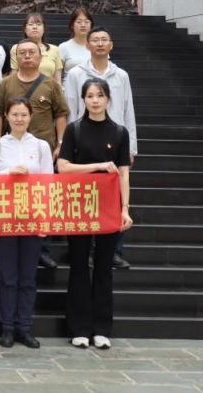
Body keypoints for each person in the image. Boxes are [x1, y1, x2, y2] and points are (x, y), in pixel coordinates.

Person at [57, 78, 133, 350]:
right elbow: (63, 167)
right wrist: (98, 166)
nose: (95, 100)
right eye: (90, 96)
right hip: (79, 205)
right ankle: (79, 328)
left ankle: (101, 329)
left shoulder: (119, 132)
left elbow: (123, 173)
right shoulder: (74, 130)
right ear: (83, 100)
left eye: (100, 95)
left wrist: (125, 209)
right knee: (79, 266)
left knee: (103, 268)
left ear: (108, 99)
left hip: (109, 207)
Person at [63, 26, 138, 270]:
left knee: (116, 196)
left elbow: (128, 110)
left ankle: (113, 250)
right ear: (87, 45)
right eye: (95, 40)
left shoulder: (121, 75)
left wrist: (131, 147)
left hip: (115, 139)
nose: (100, 43)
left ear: (111, 45)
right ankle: (81, 249)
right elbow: (71, 107)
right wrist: (69, 140)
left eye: (104, 39)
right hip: (84, 140)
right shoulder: (76, 73)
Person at [0, 98, 54, 349]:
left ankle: (24, 327)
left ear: (30, 116)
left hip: (32, 216)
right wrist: (8, 173)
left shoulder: (41, 146)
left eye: (24, 114)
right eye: (14, 114)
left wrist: (46, 219)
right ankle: (7, 327)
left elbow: (48, 183)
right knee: (8, 277)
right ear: (6, 116)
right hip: (5, 217)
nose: (19, 119)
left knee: (28, 278)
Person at [0, 39, 69, 270]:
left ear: (40, 57)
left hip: (42, 151)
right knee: (8, 201)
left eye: (32, 52)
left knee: (40, 200)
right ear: (16, 57)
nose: (27, 56)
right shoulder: (6, 84)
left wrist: (60, 143)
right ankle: (5, 247)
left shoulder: (51, 84)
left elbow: (60, 114)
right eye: (22, 53)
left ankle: (41, 250)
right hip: (11, 150)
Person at [10, 13, 64, 87]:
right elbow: (13, 76)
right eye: (30, 24)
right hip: (23, 91)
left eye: (39, 24)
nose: (35, 27)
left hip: (48, 92)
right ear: (25, 29)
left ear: (44, 29)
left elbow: (57, 81)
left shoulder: (55, 50)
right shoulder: (17, 48)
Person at [58, 7, 95, 80]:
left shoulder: (98, 46)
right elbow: (57, 76)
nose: (83, 25)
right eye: (79, 22)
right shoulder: (63, 47)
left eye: (86, 22)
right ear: (72, 25)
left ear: (91, 25)